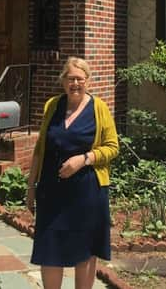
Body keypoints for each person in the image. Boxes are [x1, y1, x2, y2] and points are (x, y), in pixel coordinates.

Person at [27, 56, 119, 289]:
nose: (75, 83)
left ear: (88, 80)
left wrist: (84, 159)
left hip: (87, 192)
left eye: (79, 79)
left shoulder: (99, 108)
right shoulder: (52, 106)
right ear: (63, 81)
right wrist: (30, 187)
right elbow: (40, 148)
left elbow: (112, 147)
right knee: (49, 246)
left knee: (85, 250)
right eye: (70, 78)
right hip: (51, 191)